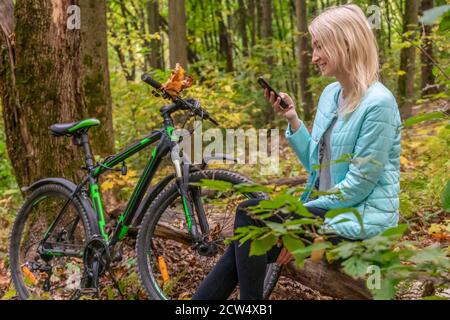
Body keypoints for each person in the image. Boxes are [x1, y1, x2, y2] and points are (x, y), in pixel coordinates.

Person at [193, 4, 401, 300]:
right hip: (326, 210)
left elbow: (359, 186)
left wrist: (298, 223)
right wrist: (292, 119)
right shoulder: (331, 94)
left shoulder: (379, 104)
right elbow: (316, 166)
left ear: (346, 43)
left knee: (249, 214)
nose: (314, 56)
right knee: (245, 240)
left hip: (361, 217)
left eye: (320, 46)